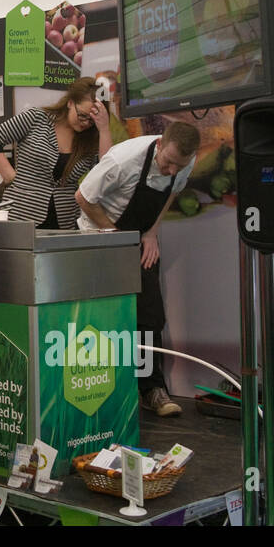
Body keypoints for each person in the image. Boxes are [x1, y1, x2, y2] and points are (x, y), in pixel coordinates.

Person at [75, 121, 200, 417]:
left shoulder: (185, 161)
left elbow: (171, 191)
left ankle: (152, 391)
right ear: (159, 145)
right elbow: (83, 197)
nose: (172, 170)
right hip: (99, 236)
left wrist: (151, 233)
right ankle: (105, 392)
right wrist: (114, 233)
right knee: (102, 319)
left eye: (178, 165)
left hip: (141, 239)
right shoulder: (122, 160)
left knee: (150, 317)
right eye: (168, 162)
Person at [0, 78, 112, 227]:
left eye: (92, 120)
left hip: (65, 222)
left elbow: (106, 171)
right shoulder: (37, 118)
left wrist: (104, 129)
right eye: (82, 115)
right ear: (70, 102)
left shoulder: (92, 138)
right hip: (22, 214)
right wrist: (11, 176)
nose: (86, 123)